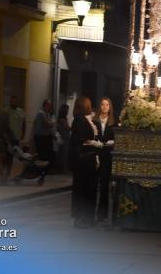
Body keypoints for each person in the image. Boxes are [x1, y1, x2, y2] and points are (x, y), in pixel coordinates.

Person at [69, 97, 100, 228]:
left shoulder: (85, 119)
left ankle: (87, 217)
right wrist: (93, 143)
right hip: (83, 160)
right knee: (83, 189)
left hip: (88, 158)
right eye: (89, 104)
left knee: (89, 188)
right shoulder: (79, 120)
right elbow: (81, 139)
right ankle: (81, 217)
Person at [93, 97, 116, 224]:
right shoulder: (94, 120)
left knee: (104, 186)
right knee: (94, 184)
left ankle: (102, 214)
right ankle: (92, 213)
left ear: (110, 107)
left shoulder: (113, 122)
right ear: (100, 107)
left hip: (107, 155)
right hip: (96, 154)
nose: (105, 107)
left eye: (107, 104)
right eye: (102, 104)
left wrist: (110, 142)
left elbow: (116, 138)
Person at [32, 99, 55, 166]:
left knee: (47, 155)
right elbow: (48, 124)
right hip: (41, 137)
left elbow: (50, 123)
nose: (50, 107)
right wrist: (51, 124)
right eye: (49, 105)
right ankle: (41, 169)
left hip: (45, 137)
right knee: (42, 155)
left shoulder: (47, 113)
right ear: (45, 105)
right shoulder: (41, 113)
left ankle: (45, 169)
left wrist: (51, 123)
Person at [57, 104, 71, 173]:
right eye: (67, 110)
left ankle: (62, 168)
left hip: (64, 137)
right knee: (64, 154)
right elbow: (67, 128)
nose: (68, 112)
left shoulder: (62, 118)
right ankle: (63, 169)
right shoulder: (62, 119)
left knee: (63, 154)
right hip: (64, 138)